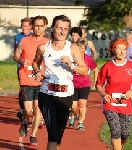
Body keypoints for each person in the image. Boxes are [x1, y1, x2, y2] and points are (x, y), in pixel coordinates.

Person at [32, 15, 88, 150]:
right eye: (59, 28)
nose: (62, 32)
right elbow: (35, 63)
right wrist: (37, 72)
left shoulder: (72, 48)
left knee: (59, 132)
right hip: (46, 95)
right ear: (52, 28)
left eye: (65, 29)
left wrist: (71, 65)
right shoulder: (43, 48)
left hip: (65, 96)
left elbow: (85, 71)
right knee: (52, 132)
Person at [96, 37, 132, 150]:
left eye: (124, 49)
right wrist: (103, 94)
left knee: (125, 133)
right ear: (113, 50)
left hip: (126, 103)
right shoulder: (107, 66)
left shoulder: (131, 66)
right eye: (119, 49)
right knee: (115, 130)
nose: (122, 52)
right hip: (110, 102)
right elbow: (98, 84)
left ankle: (119, 147)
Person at [13, 15, 50, 146]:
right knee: (28, 110)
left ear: (45, 27)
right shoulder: (24, 40)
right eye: (36, 26)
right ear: (32, 26)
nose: (38, 28)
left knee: (37, 109)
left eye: (41, 26)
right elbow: (15, 55)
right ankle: (24, 121)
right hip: (26, 80)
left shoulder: (48, 43)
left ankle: (33, 135)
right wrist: (21, 60)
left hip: (41, 81)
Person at [69, 37, 98, 130]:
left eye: (82, 48)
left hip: (84, 84)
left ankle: (81, 122)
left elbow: (95, 69)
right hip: (73, 84)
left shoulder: (88, 59)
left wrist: (96, 81)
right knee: (73, 107)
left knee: (82, 104)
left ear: (85, 49)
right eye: (78, 47)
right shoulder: (71, 57)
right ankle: (73, 115)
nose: (80, 50)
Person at [13, 17, 32, 121]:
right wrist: (19, 60)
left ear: (30, 27)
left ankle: (36, 111)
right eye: (22, 26)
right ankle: (22, 109)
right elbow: (15, 52)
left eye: (25, 26)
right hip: (21, 67)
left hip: (33, 67)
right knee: (23, 88)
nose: (23, 28)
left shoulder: (34, 37)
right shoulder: (17, 37)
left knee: (35, 88)